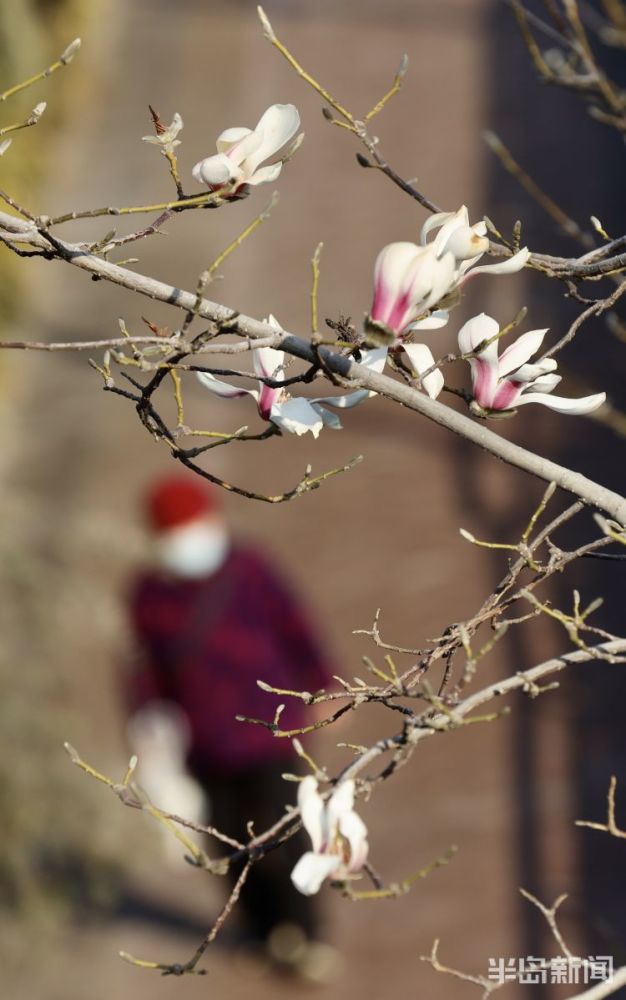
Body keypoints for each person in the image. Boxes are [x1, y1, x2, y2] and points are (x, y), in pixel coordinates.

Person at [124, 472, 334, 975]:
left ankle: (306, 937)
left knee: (284, 834)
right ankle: (263, 934)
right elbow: (143, 670)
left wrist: (322, 685)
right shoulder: (148, 594)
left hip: (274, 728)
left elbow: (295, 626)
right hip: (204, 743)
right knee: (228, 845)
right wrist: (147, 731)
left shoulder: (251, 569)